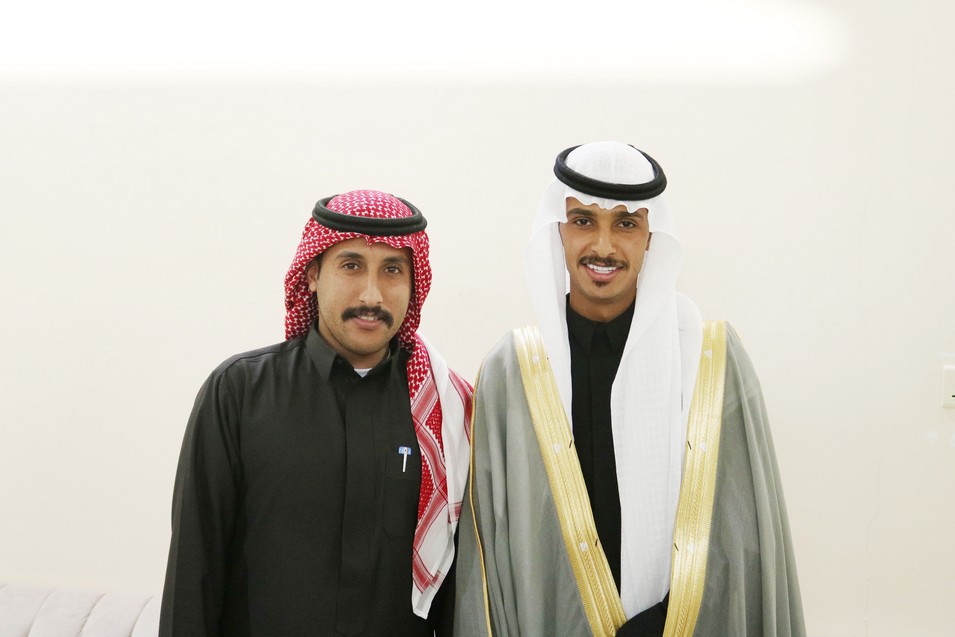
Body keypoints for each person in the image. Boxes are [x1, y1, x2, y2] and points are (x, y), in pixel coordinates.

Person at [454, 142, 805, 636]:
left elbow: (741, 533)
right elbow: (492, 557)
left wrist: (662, 622)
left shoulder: (712, 359)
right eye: (583, 221)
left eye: (626, 223)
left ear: (650, 238)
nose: (603, 246)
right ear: (558, 230)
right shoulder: (512, 370)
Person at [159, 190, 472, 636]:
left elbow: (459, 591)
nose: (371, 294)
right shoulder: (239, 393)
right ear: (312, 274)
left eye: (392, 270)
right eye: (351, 266)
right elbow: (194, 574)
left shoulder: (446, 412)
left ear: (413, 284)